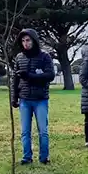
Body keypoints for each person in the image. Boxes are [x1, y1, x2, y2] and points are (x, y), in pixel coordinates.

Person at [11, 28, 55, 165]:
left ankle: (44, 157)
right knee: (25, 131)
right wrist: (14, 97)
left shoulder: (44, 57)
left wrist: (30, 76)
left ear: (34, 40)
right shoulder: (19, 57)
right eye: (23, 41)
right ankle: (26, 157)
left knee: (43, 130)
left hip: (40, 99)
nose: (25, 43)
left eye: (28, 40)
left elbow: (50, 76)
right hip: (24, 99)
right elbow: (15, 79)